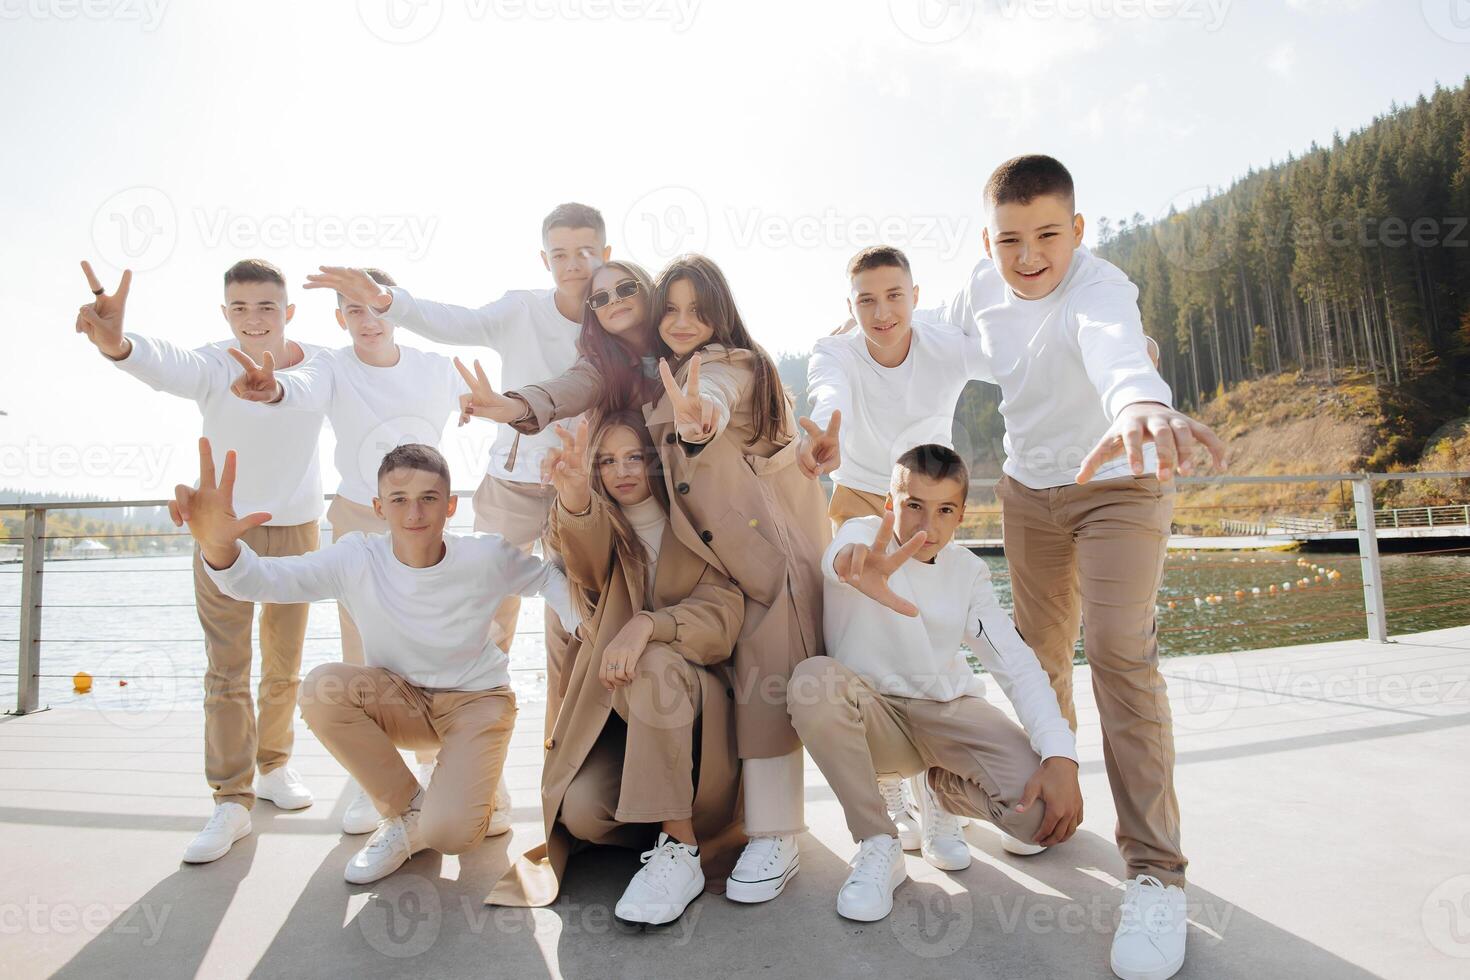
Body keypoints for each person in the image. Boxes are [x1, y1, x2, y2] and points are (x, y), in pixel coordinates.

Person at [929, 154, 1226, 980]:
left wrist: (1140, 401)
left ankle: (1157, 874)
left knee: (1120, 653)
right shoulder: (978, 289)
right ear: (987, 239)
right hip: (1029, 493)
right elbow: (940, 348)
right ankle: (1042, 803)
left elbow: (1116, 353)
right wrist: (860, 339)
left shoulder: (1102, 290)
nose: (1029, 258)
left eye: (1048, 236)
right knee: (1037, 652)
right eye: (1010, 240)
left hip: (1118, 481)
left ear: (1078, 231)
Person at [461, 253, 829, 903]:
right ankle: (643, 804)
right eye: (675, 310)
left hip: (758, 550)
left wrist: (699, 419)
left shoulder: (728, 364)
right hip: (685, 557)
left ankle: (775, 832)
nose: (684, 322)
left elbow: (712, 400)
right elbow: (565, 391)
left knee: (765, 687)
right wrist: (512, 406)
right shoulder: (618, 375)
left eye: (697, 309)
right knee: (606, 670)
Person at [173, 439, 576, 884]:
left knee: (453, 835)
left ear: (450, 507)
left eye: (428, 499)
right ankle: (405, 814)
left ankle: (472, 781)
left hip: (476, 701)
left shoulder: (485, 555)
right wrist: (219, 549)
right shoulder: (356, 558)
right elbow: (266, 580)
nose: (414, 515)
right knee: (321, 689)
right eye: (399, 500)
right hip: (400, 698)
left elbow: (546, 580)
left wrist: (585, 626)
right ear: (379, 507)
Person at [226, 267, 518, 837]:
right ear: (340, 319)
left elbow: (497, 406)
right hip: (361, 517)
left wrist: (485, 405)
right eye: (353, 311)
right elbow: (300, 386)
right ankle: (377, 785)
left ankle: (461, 770)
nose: (367, 321)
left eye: (375, 308)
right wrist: (276, 388)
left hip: (424, 521)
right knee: (365, 655)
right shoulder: (332, 365)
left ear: (394, 311)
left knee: (454, 643)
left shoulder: (435, 369)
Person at [73, 258, 326, 864]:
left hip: (296, 528)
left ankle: (274, 766)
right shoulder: (213, 362)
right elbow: (166, 364)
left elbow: (337, 390)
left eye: (266, 306)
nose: (253, 319)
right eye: (239, 308)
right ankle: (231, 799)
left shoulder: (320, 365)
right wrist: (120, 345)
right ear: (224, 314)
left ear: (288, 311)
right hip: (220, 531)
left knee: (285, 664)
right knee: (227, 666)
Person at [302, 203, 608, 668]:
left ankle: (564, 741)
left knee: (575, 625)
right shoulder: (520, 308)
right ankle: (475, 725)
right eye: (561, 253)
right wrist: (391, 302)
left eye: (586, 251)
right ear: (545, 260)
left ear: (605, 254)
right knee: (486, 623)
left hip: (584, 487)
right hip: (512, 487)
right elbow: (459, 322)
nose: (574, 264)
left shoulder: (618, 320)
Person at [788, 445, 1080, 922]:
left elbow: (1016, 665)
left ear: (961, 514)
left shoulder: (969, 572)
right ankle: (879, 843)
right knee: (811, 681)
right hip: (875, 715)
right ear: (890, 503)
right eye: (914, 506)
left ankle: (941, 790)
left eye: (945, 510)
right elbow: (840, 560)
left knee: (1036, 816)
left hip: (947, 711)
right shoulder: (862, 535)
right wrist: (858, 565)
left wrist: (1060, 755)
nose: (928, 526)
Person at [488, 412, 742, 926]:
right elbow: (582, 559)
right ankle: (659, 815)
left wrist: (650, 625)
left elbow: (722, 617)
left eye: (634, 457)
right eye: (606, 461)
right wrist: (577, 495)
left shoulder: (694, 522)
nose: (622, 471)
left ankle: (680, 847)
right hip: (622, 712)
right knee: (581, 813)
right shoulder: (609, 530)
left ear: (655, 461)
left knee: (652, 665)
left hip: (693, 700)